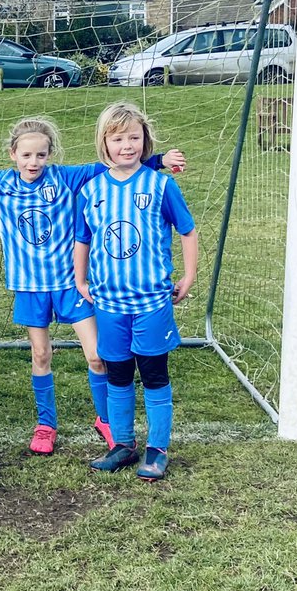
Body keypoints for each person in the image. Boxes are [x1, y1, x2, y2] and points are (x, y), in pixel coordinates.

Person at [0, 116, 184, 456]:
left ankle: (106, 420)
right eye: (26, 156)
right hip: (30, 288)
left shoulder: (65, 179)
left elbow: (114, 163)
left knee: (97, 356)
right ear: (13, 154)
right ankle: (46, 424)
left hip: (71, 285)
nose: (34, 162)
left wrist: (159, 161)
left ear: (50, 155)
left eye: (41, 155)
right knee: (41, 355)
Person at [74, 102, 198, 481]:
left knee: (153, 372)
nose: (126, 145)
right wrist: (81, 280)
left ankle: (157, 449)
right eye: (117, 138)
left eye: (133, 137)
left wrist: (189, 276)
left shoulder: (161, 184)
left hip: (151, 301)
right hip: (110, 302)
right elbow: (83, 239)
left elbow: (187, 231)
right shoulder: (92, 189)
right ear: (104, 143)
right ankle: (123, 445)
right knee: (118, 373)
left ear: (145, 141)